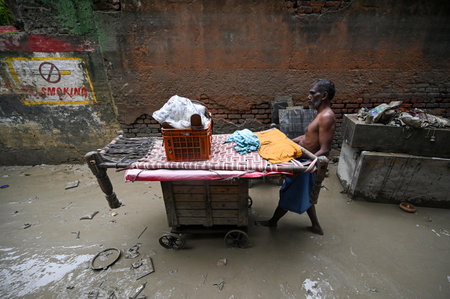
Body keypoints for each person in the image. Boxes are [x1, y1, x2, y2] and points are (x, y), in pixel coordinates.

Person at [259, 79, 336, 235]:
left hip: (305, 164)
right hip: (302, 160)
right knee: (305, 193)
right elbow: (308, 137)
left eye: (312, 93)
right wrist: (287, 141)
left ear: (324, 96)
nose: (308, 96)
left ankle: (273, 222)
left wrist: (307, 164)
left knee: (289, 192)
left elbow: (325, 149)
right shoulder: (320, 114)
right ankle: (315, 226)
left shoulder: (326, 116)